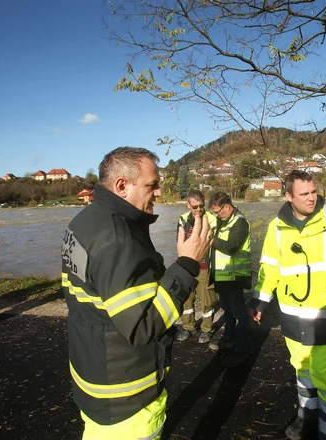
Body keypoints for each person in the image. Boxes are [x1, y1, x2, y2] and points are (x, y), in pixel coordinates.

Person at [61, 147, 213, 440]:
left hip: (94, 376)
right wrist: (187, 264)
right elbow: (143, 326)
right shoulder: (119, 239)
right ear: (122, 185)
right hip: (127, 396)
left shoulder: (84, 221)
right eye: (152, 184)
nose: (159, 192)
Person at [251, 170, 326, 440]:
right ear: (289, 196)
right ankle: (307, 417)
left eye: (314, 192)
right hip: (292, 316)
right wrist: (260, 300)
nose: (312, 198)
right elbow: (270, 267)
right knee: (302, 368)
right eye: (304, 194)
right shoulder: (276, 227)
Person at [206, 191, 253, 367]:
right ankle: (228, 338)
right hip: (223, 276)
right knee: (227, 310)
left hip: (235, 277)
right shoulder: (222, 221)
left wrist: (211, 240)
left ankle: (243, 349)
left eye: (218, 211)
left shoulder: (240, 222)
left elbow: (231, 247)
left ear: (227, 207)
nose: (217, 215)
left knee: (240, 313)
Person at [176, 190, 218, 344]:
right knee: (186, 299)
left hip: (204, 267)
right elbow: (179, 242)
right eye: (195, 207)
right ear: (188, 205)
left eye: (201, 206)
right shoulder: (182, 219)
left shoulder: (212, 219)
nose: (199, 209)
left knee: (207, 299)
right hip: (186, 266)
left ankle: (207, 329)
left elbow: (212, 243)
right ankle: (188, 327)